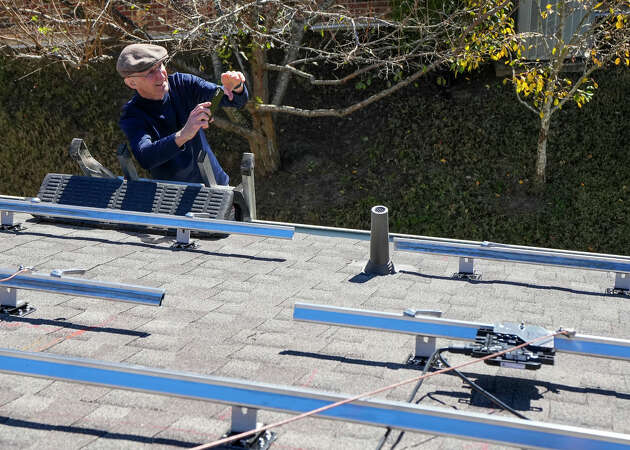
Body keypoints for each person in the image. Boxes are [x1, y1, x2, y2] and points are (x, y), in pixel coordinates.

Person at [117, 43, 248, 185]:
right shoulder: (132, 114)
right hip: (174, 197)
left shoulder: (182, 83)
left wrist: (235, 86)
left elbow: (224, 97)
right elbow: (145, 157)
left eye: (160, 66)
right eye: (150, 72)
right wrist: (184, 134)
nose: (161, 75)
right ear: (132, 83)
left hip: (215, 185)